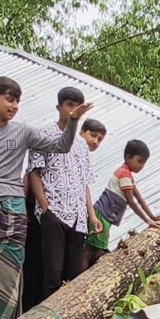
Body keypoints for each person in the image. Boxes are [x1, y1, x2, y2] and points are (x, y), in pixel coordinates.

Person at [0, 77, 93, 319]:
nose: (14, 105)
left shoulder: (23, 131)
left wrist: (73, 122)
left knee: (7, 281)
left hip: (13, 214)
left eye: (17, 100)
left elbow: (61, 146)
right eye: (9, 98)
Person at [26, 88, 103, 304]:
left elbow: (84, 182)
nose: (73, 110)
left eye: (78, 106)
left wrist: (92, 215)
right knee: (51, 273)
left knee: (73, 275)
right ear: (59, 107)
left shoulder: (81, 145)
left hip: (78, 217)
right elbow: (34, 172)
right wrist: (45, 208)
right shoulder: (43, 135)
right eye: (69, 105)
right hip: (55, 213)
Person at [85, 139, 159, 269]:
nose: (141, 166)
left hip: (104, 216)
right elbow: (132, 201)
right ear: (128, 157)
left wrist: (153, 217)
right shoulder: (124, 174)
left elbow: (139, 198)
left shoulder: (127, 175)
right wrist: (148, 221)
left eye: (144, 163)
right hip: (101, 216)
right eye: (139, 161)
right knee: (92, 250)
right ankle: (79, 277)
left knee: (94, 248)